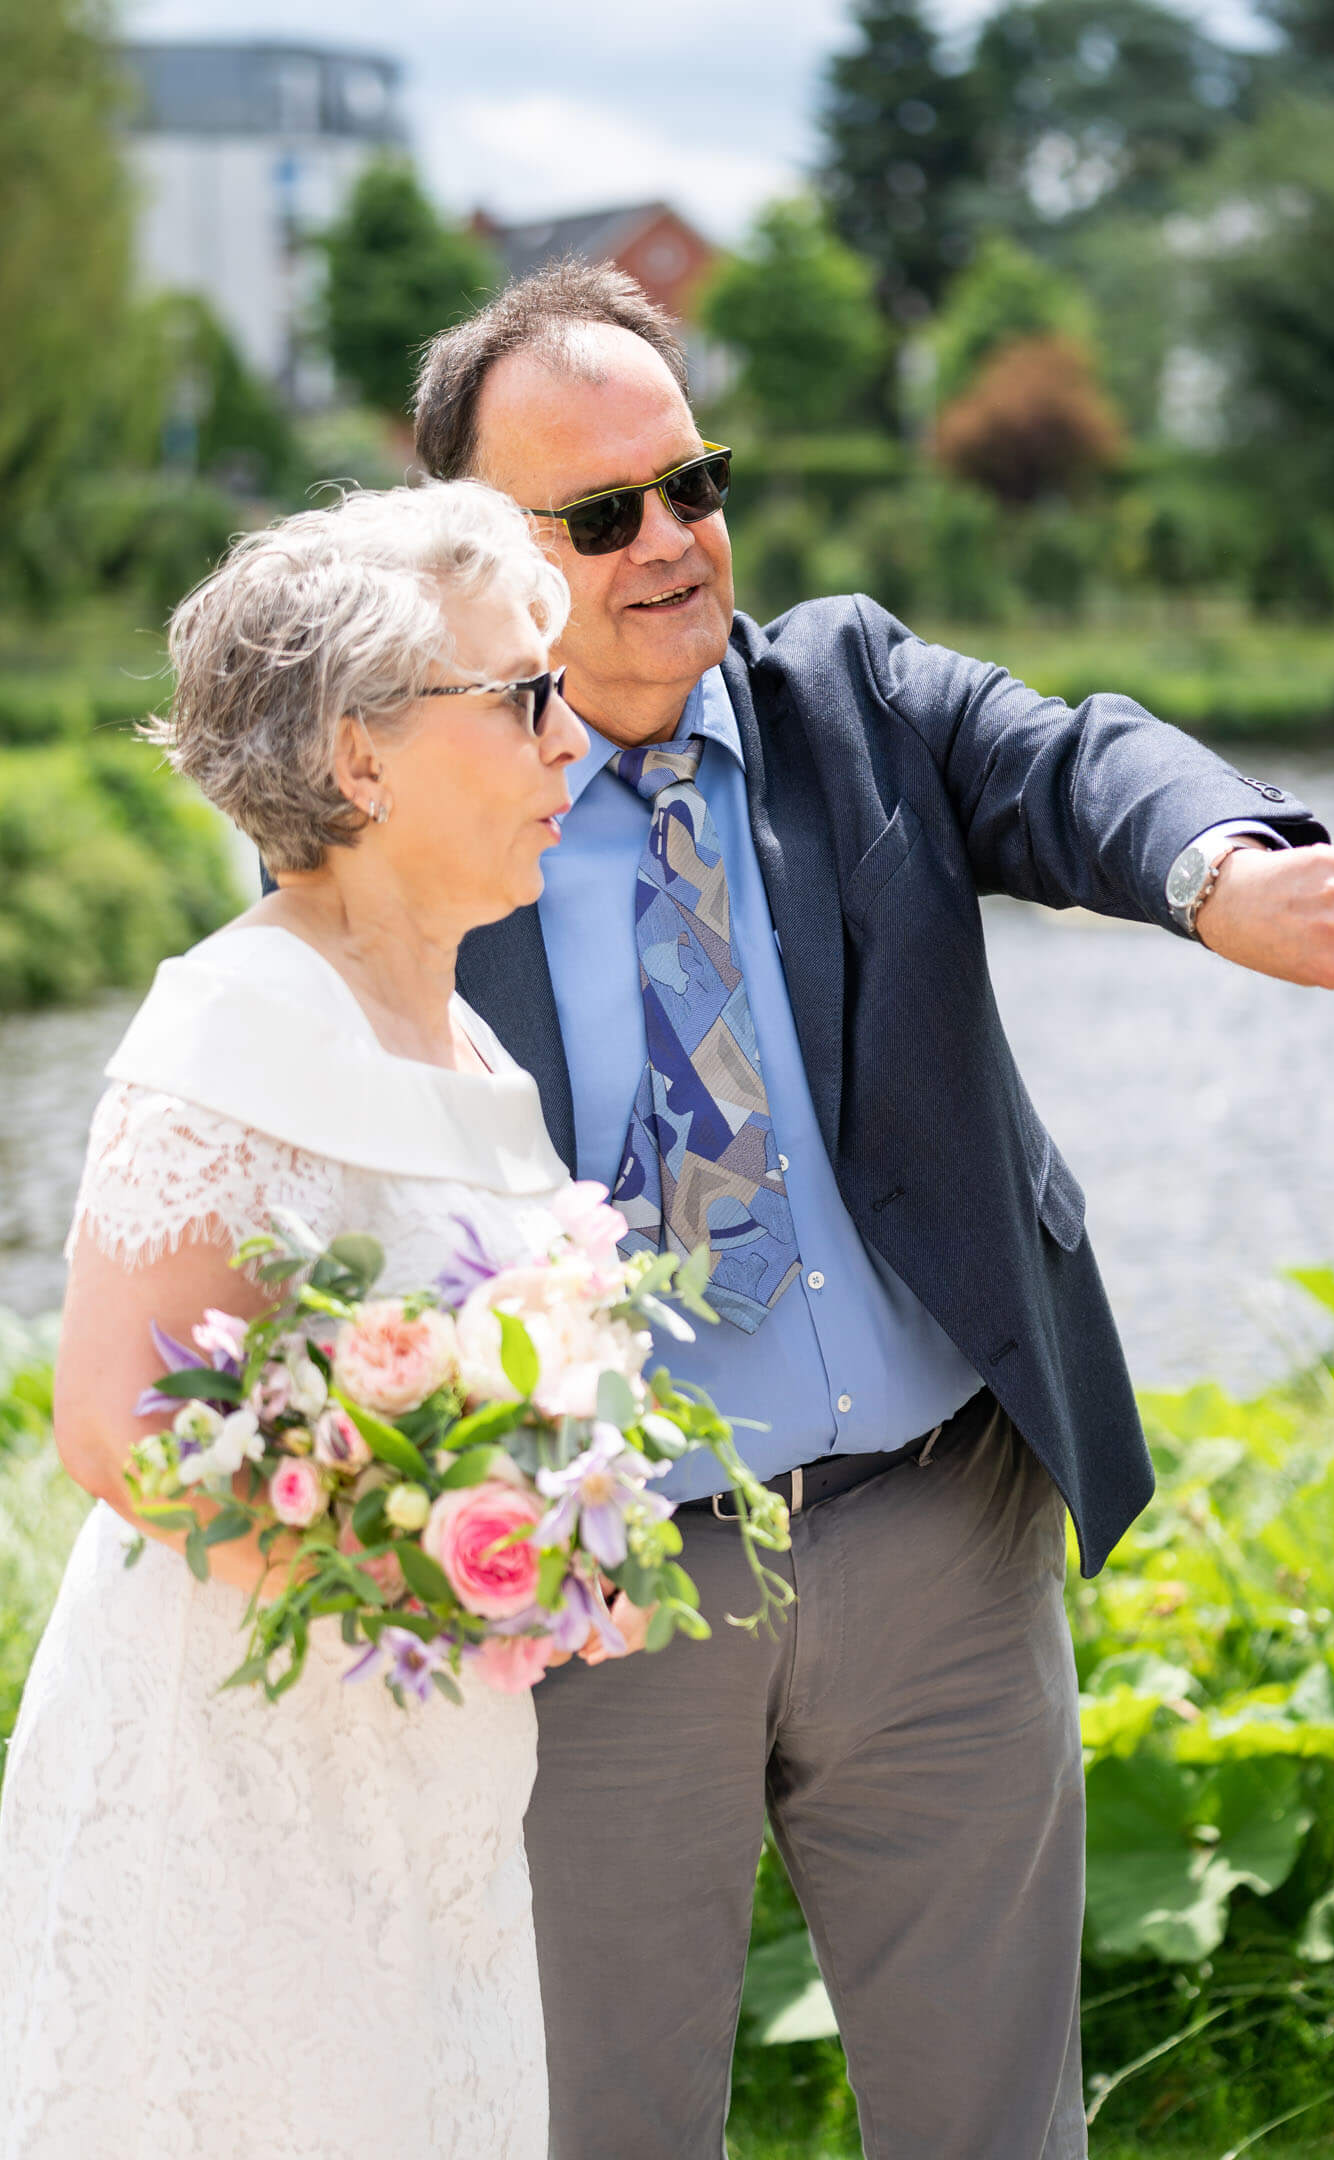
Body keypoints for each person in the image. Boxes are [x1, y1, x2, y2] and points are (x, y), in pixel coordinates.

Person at [412, 261, 1334, 2160]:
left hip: (937, 1546)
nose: (673, 543)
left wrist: (1220, 867)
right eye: (606, 513)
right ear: (480, 556)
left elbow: (1078, 764)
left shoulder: (851, 695)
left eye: (697, 485)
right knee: (599, 2130)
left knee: (995, 2130)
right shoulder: (425, 809)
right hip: (604, 1600)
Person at [0, 482, 608, 2159]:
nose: (572, 742)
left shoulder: (472, 1051)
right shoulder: (236, 1017)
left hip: (439, 1782)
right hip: (245, 1779)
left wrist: (553, 1533)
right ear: (360, 759)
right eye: (524, 695)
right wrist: (433, 1574)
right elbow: (118, 1428)